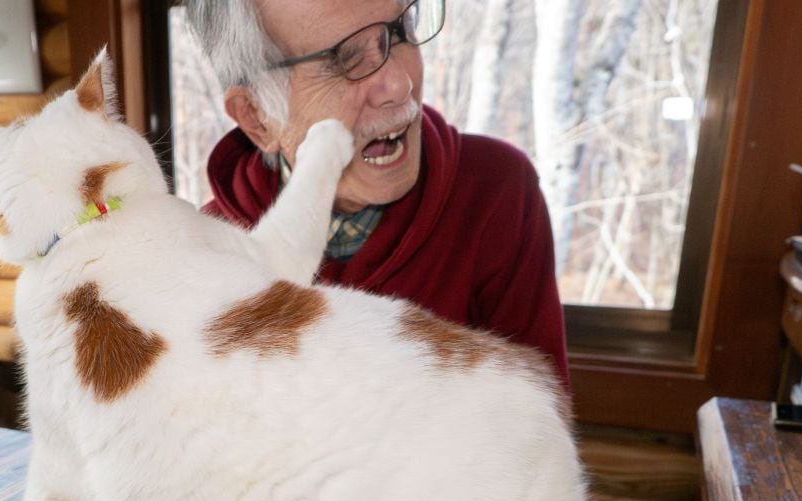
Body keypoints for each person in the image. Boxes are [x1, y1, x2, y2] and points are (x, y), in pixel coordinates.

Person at [185, 0, 570, 385]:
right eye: (344, 59)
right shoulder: (209, 262)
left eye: (401, 30)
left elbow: (538, 424)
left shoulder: (495, 191)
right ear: (257, 117)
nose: (400, 84)